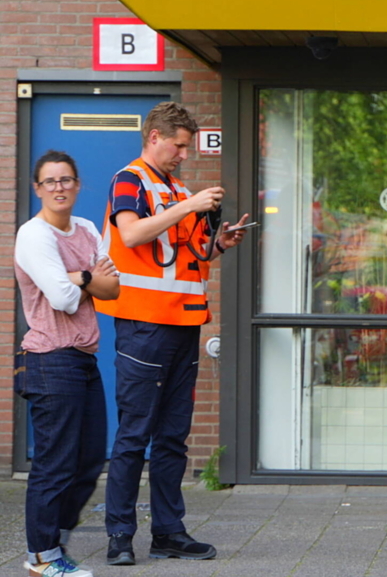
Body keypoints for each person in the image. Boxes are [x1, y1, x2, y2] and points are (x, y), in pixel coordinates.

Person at [94, 102, 249, 566]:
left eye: (187, 146)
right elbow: (134, 234)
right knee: (134, 435)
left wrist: (219, 243)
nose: (184, 154)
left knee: (173, 437)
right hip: (144, 325)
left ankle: (168, 532)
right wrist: (191, 204)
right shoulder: (131, 179)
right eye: (179, 145)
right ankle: (120, 535)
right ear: (155, 137)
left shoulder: (175, 187)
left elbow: (187, 256)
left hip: (182, 324)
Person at [14, 150, 121, 577]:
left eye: (66, 180)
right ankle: (41, 557)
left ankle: (52, 546)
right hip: (48, 359)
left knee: (90, 460)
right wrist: (84, 277)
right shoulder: (33, 235)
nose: (59, 187)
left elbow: (114, 290)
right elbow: (61, 298)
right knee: (56, 464)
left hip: (83, 358)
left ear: (78, 185)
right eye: (50, 181)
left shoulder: (88, 229)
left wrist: (77, 278)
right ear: (38, 189)